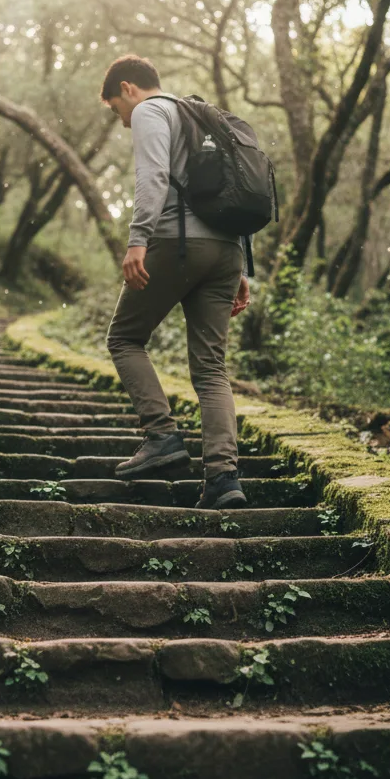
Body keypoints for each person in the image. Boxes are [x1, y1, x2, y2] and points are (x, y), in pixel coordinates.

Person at [100, 54, 250, 510]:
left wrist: (137, 240)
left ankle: (161, 435)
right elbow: (232, 185)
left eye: (115, 110)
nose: (123, 123)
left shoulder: (150, 110)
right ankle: (224, 478)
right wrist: (240, 265)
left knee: (124, 338)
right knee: (211, 369)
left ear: (128, 88)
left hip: (176, 240)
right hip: (225, 249)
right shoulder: (198, 113)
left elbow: (153, 177)